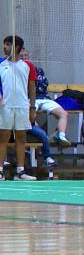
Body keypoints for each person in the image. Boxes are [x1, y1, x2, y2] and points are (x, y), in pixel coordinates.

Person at [0, 35, 38, 180]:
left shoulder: (28, 66)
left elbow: (32, 86)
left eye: (7, 45)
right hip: (5, 106)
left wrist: (32, 107)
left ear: (16, 47)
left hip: (22, 106)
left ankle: (20, 172)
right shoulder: (1, 64)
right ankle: (0, 170)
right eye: (4, 44)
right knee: (3, 138)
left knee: (21, 138)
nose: (4, 47)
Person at [18, 48, 70, 147]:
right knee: (29, 117)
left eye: (25, 56)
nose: (24, 58)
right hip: (30, 99)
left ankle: (61, 136)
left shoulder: (38, 70)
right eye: (21, 56)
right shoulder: (18, 71)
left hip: (44, 98)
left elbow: (44, 84)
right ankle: (39, 137)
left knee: (64, 114)